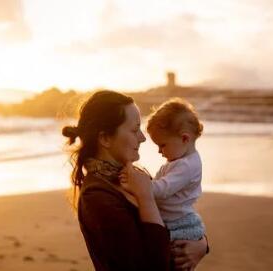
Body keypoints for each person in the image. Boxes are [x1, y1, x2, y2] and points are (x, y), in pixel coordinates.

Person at [62, 90, 208, 271]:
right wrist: (145, 197)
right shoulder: (98, 197)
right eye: (134, 129)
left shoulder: (131, 175)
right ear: (105, 138)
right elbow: (152, 265)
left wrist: (201, 244)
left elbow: (175, 214)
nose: (143, 137)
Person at [146, 98, 206, 241]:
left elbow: (162, 189)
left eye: (162, 145)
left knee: (166, 245)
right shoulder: (178, 161)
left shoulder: (187, 166)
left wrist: (140, 184)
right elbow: (158, 181)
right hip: (171, 218)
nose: (159, 151)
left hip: (179, 223)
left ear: (184, 139)